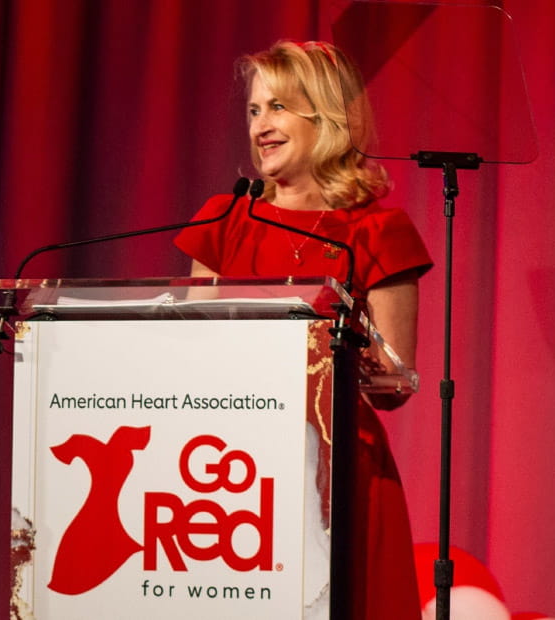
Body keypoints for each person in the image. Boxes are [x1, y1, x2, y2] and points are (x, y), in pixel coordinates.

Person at [174, 41, 433, 619]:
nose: (260, 126)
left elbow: (397, 384)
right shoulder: (223, 220)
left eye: (278, 108)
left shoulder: (377, 230)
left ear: (328, 116)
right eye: (253, 111)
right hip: (229, 473)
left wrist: (364, 366)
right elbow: (187, 354)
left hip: (338, 476)